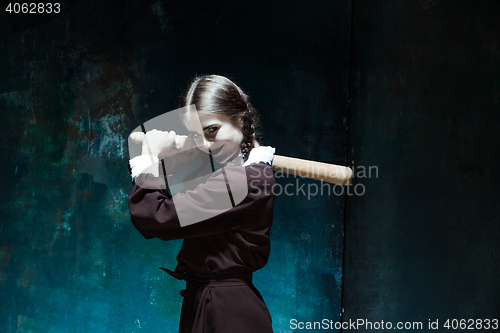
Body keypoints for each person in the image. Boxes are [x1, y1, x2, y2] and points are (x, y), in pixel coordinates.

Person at [127, 75, 277, 333]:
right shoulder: (227, 171)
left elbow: (158, 217)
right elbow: (175, 193)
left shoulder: (247, 181)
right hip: (204, 304)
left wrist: (149, 157)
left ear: (240, 119)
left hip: (229, 314)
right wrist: (172, 154)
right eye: (196, 134)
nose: (206, 145)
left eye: (212, 130)